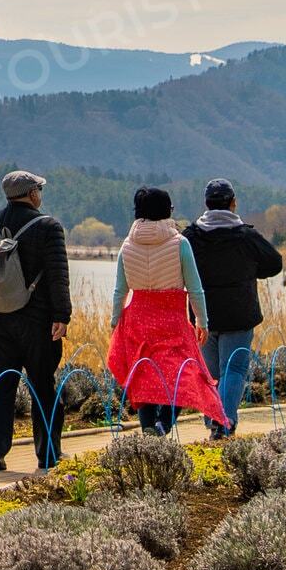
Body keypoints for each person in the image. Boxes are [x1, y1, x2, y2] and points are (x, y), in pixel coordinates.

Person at [0, 169, 70, 478]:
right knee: (42, 385)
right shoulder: (48, 227)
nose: (40, 194)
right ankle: (47, 455)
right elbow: (57, 276)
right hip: (38, 322)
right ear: (32, 194)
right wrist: (61, 316)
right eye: (39, 189)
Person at [105, 186, 227, 435]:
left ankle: (148, 427)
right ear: (166, 211)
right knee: (185, 374)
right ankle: (164, 422)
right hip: (171, 319)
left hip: (137, 319)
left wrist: (115, 321)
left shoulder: (126, 246)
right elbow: (195, 288)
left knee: (143, 375)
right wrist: (202, 321)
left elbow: (120, 290)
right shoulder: (179, 243)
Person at [181, 178, 283, 438]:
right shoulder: (246, 236)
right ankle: (224, 423)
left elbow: (177, 267)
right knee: (234, 370)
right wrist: (249, 271)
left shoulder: (192, 236)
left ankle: (214, 421)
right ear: (233, 203)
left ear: (206, 204)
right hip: (240, 312)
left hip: (203, 315)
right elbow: (274, 263)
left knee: (211, 373)